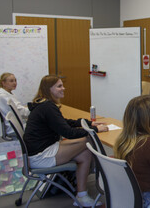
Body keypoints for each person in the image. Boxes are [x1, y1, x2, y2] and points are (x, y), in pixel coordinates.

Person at [23, 75, 109, 207]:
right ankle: (103, 178)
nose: (63, 88)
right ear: (49, 89)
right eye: (59, 86)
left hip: (41, 150)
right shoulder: (48, 107)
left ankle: (82, 196)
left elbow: (64, 123)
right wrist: (95, 130)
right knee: (90, 140)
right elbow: (68, 132)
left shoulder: (44, 104)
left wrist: (87, 123)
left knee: (85, 153)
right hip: (41, 156)